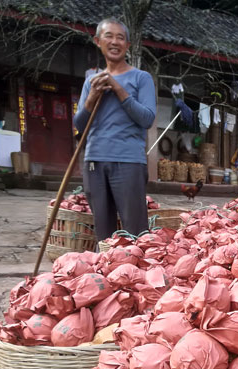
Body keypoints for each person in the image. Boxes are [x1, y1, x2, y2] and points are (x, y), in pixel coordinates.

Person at [74, 17, 156, 241]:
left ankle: (137, 264)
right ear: (98, 41)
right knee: (103, 231)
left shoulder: (141, 78)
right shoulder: (91, 82)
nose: (114, 42)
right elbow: (79, 124)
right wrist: (92, 97)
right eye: (109, 36)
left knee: (135, 230)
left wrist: (119, 89)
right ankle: (106, 264)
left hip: (128, 160)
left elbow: (147, 119)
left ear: (127, 45)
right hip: (94, 160)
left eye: (120, 38)